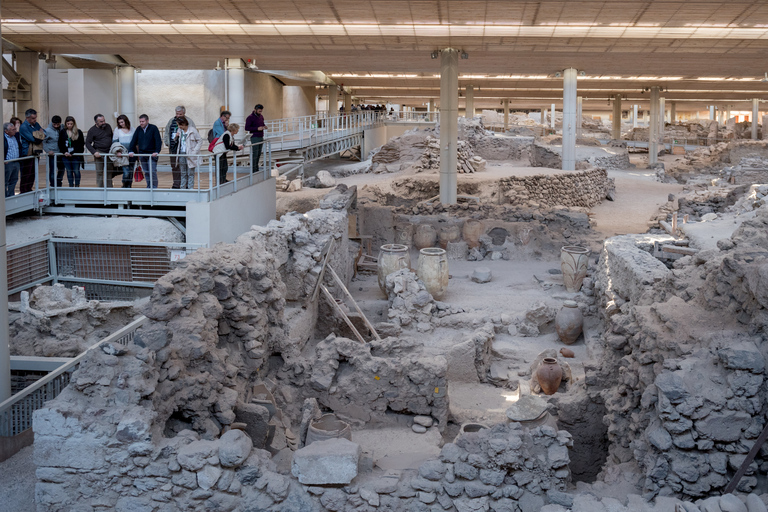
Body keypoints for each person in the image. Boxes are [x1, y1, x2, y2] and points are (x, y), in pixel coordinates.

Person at [164, 106, 196, 188]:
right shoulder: (171, 121)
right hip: (173, 148)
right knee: (175, 167)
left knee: (186, 167)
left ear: (184, 113)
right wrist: (167, 143)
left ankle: (187, 185)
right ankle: (176, 184)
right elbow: (167, 132)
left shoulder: (189, 121)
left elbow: (195, 135)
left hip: (184, 149)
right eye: (177, 114)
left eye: (180, 114)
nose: (178, 116)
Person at [128, 114, 162, 189]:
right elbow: (133, 140)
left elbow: (158, 141)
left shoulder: (153, 128)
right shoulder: (138, 129)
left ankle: (154, 187)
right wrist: (130, 150)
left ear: (147, 121)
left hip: (152, 154)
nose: (141, 123)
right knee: (146, 171)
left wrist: (157, 151)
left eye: (143, 121)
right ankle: (149, 186)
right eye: (140, 121)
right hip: (142, 154)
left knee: (152, 171)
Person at [171, 116, 202, 189]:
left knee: (190, 173)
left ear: (184, 124)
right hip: (182, 153)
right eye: (178, 125)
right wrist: (175, 136)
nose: (179, 126)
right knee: (183, 173)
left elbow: (200, 141)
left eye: (180, 125)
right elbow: (175, 140)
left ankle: (190, 189)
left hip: (190, 153)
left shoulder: (192, 130)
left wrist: (194, 151)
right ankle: (182, 189)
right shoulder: (179, 130)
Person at [85, 113, 115, 187]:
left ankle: (109, 188)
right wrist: (94, 152)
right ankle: (100, 189)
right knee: (99, 172)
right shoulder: (92, 130)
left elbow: (112, 137)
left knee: (109, 172)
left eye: (104, 120)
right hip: (99, 153)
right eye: (101, 122)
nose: (103, 123)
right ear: (96, 122)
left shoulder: (108, 126)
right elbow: (88, 143)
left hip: (109, 152)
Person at [18, 108, 44, 193]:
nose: (35, 120)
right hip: (27, 153)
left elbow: (44, 134)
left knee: (33, 172)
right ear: (27, 118)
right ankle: (24, 190)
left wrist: (39, 135)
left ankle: (29, 188)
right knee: (26, 172)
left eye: (35, 118)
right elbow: (32, 139)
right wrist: (39, 135)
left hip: (36, 151)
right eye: (33, 118)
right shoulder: (24, 127)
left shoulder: (36, 124)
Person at [58, 116, 85, 187]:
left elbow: (81, 144)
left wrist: (73, 153)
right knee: (69, 171)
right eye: (68, 124)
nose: (69, 125)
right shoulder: (62, 132)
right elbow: (60, 143)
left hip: (75, 155)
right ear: (66, 124)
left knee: (76, 171)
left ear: (74, 124)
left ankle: (77, 185)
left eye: (71, 124)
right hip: (65, 155)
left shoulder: (78, 132)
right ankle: (70, 185)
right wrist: (64, 152)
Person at [111, 115, 135, 188]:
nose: (121, 124)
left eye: (122, 122)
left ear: (126, 121)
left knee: (131, 172)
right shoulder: (117, 130)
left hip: (132, 153)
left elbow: (135, 141)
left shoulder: (133, 129)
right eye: (119, 123)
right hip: (123, 154)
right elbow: (115, 142)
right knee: (126, 172)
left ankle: (129, 187)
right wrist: (118, 151)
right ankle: (124, 185)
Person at [245, 104, 267, 174]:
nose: (260, 113)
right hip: (254, 137)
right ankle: (254, 170)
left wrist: (264, 126)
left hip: (261, 136)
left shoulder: (261, 116)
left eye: (261, 111)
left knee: (259, 154)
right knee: (255, 153)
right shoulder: (250, 117)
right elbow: (247, 128)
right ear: (255, 109)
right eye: (259, 111)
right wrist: (257, 128)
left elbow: (262, 123)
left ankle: (256, 168)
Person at [43, 115, 64, 187]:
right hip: (52, 154)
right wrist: (48, 151)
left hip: (61, 153)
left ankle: (58, 183)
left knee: (61, 169)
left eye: (58, 124)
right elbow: (43, 141)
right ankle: (52, 185)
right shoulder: (47, 131)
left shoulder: (62, 129)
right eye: (54, 124)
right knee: (52, 170)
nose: (56, 126)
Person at [4, 122, 22, 197]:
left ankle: (11, 194)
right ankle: (4, 196)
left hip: (16, 162)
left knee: (14, 180)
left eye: (15, 129)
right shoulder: (3, 138)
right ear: (6, 131)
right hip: (8, 162)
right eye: (12, 130)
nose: (15, 131)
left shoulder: (15, 136)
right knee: (5, 180)